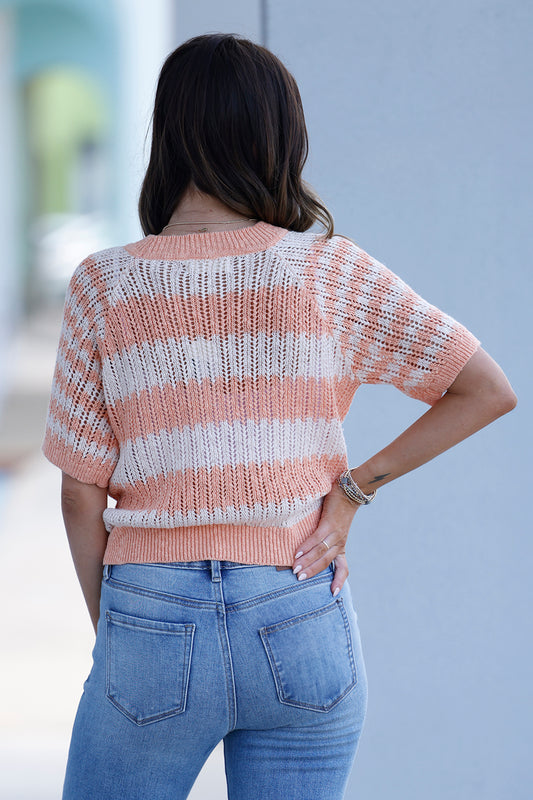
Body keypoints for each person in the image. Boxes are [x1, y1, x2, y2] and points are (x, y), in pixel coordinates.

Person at [41, 33, 516, 800]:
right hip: (298, 606)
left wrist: (125, 635)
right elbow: (484, 388)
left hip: (151, 608)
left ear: (167, 136)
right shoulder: (326, 268)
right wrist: (351, 491)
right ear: (277, 136)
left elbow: (77, 495)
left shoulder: (104, 285)